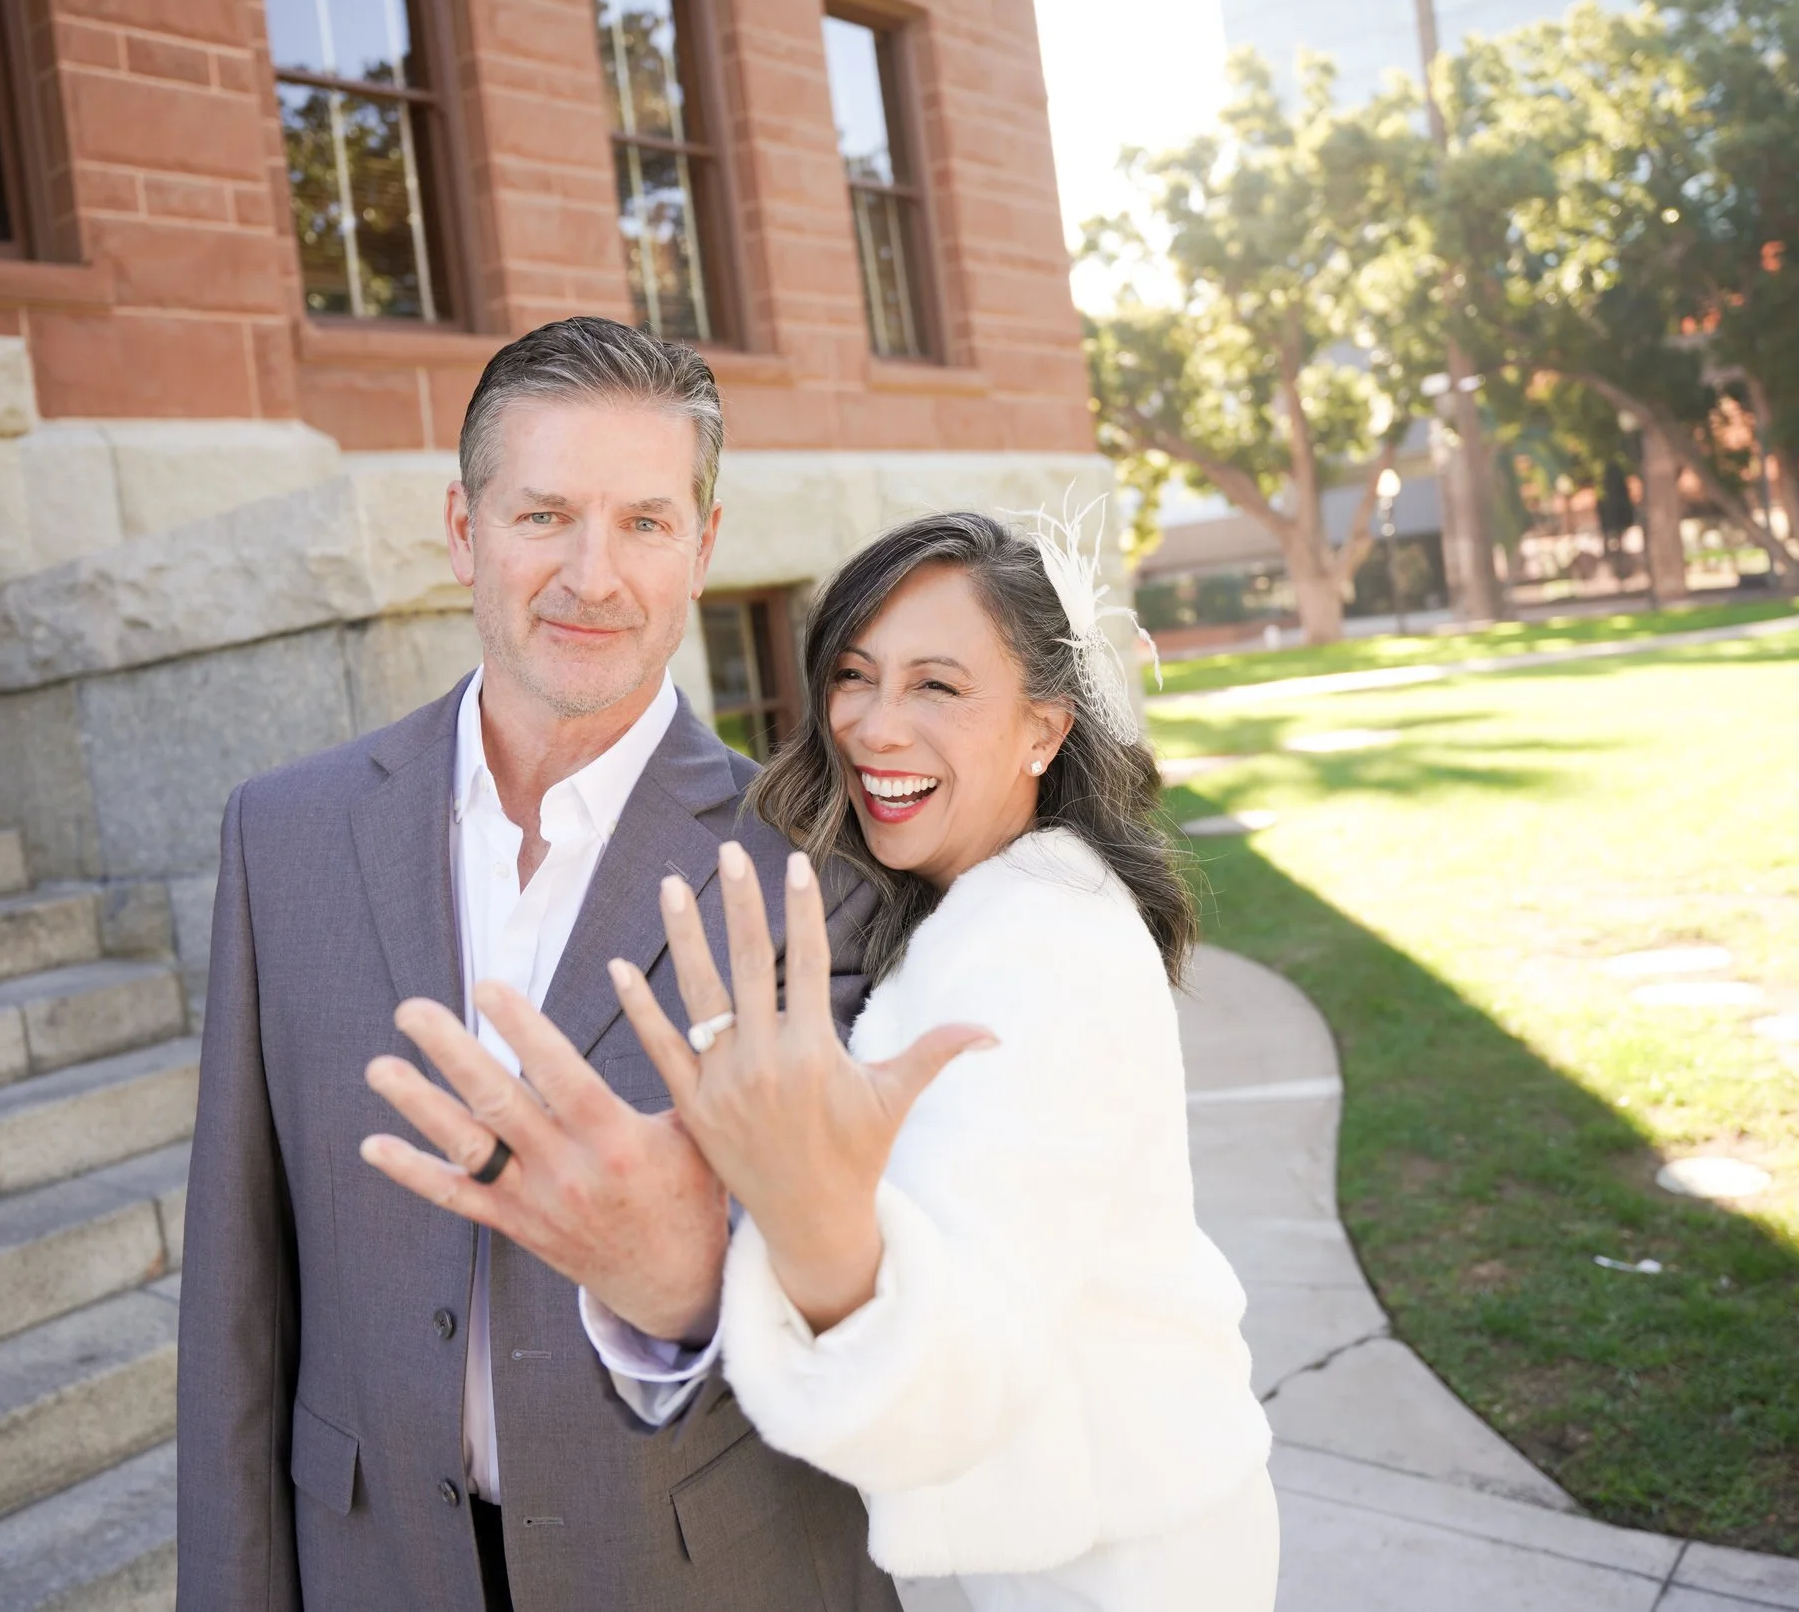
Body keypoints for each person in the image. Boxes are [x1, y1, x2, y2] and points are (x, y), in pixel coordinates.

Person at [390, 510, 1281, 1610]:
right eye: (853, 675)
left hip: (1124, 1566)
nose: (872, 724)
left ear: (1042, 729)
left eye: (937, 687)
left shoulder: (1042, 954)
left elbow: (964, 1355)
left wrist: (800, 1220)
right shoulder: (980, 912)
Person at [175, 316, 900, 1612]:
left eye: (644, 523)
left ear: (704, 546)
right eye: (543, 514)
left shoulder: (818, 872)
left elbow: (880, 1325)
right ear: (463, 529)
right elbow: (238, 1291)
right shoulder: (281, 832)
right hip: (373, 1565)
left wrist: (683, 1287)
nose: (591, 573)